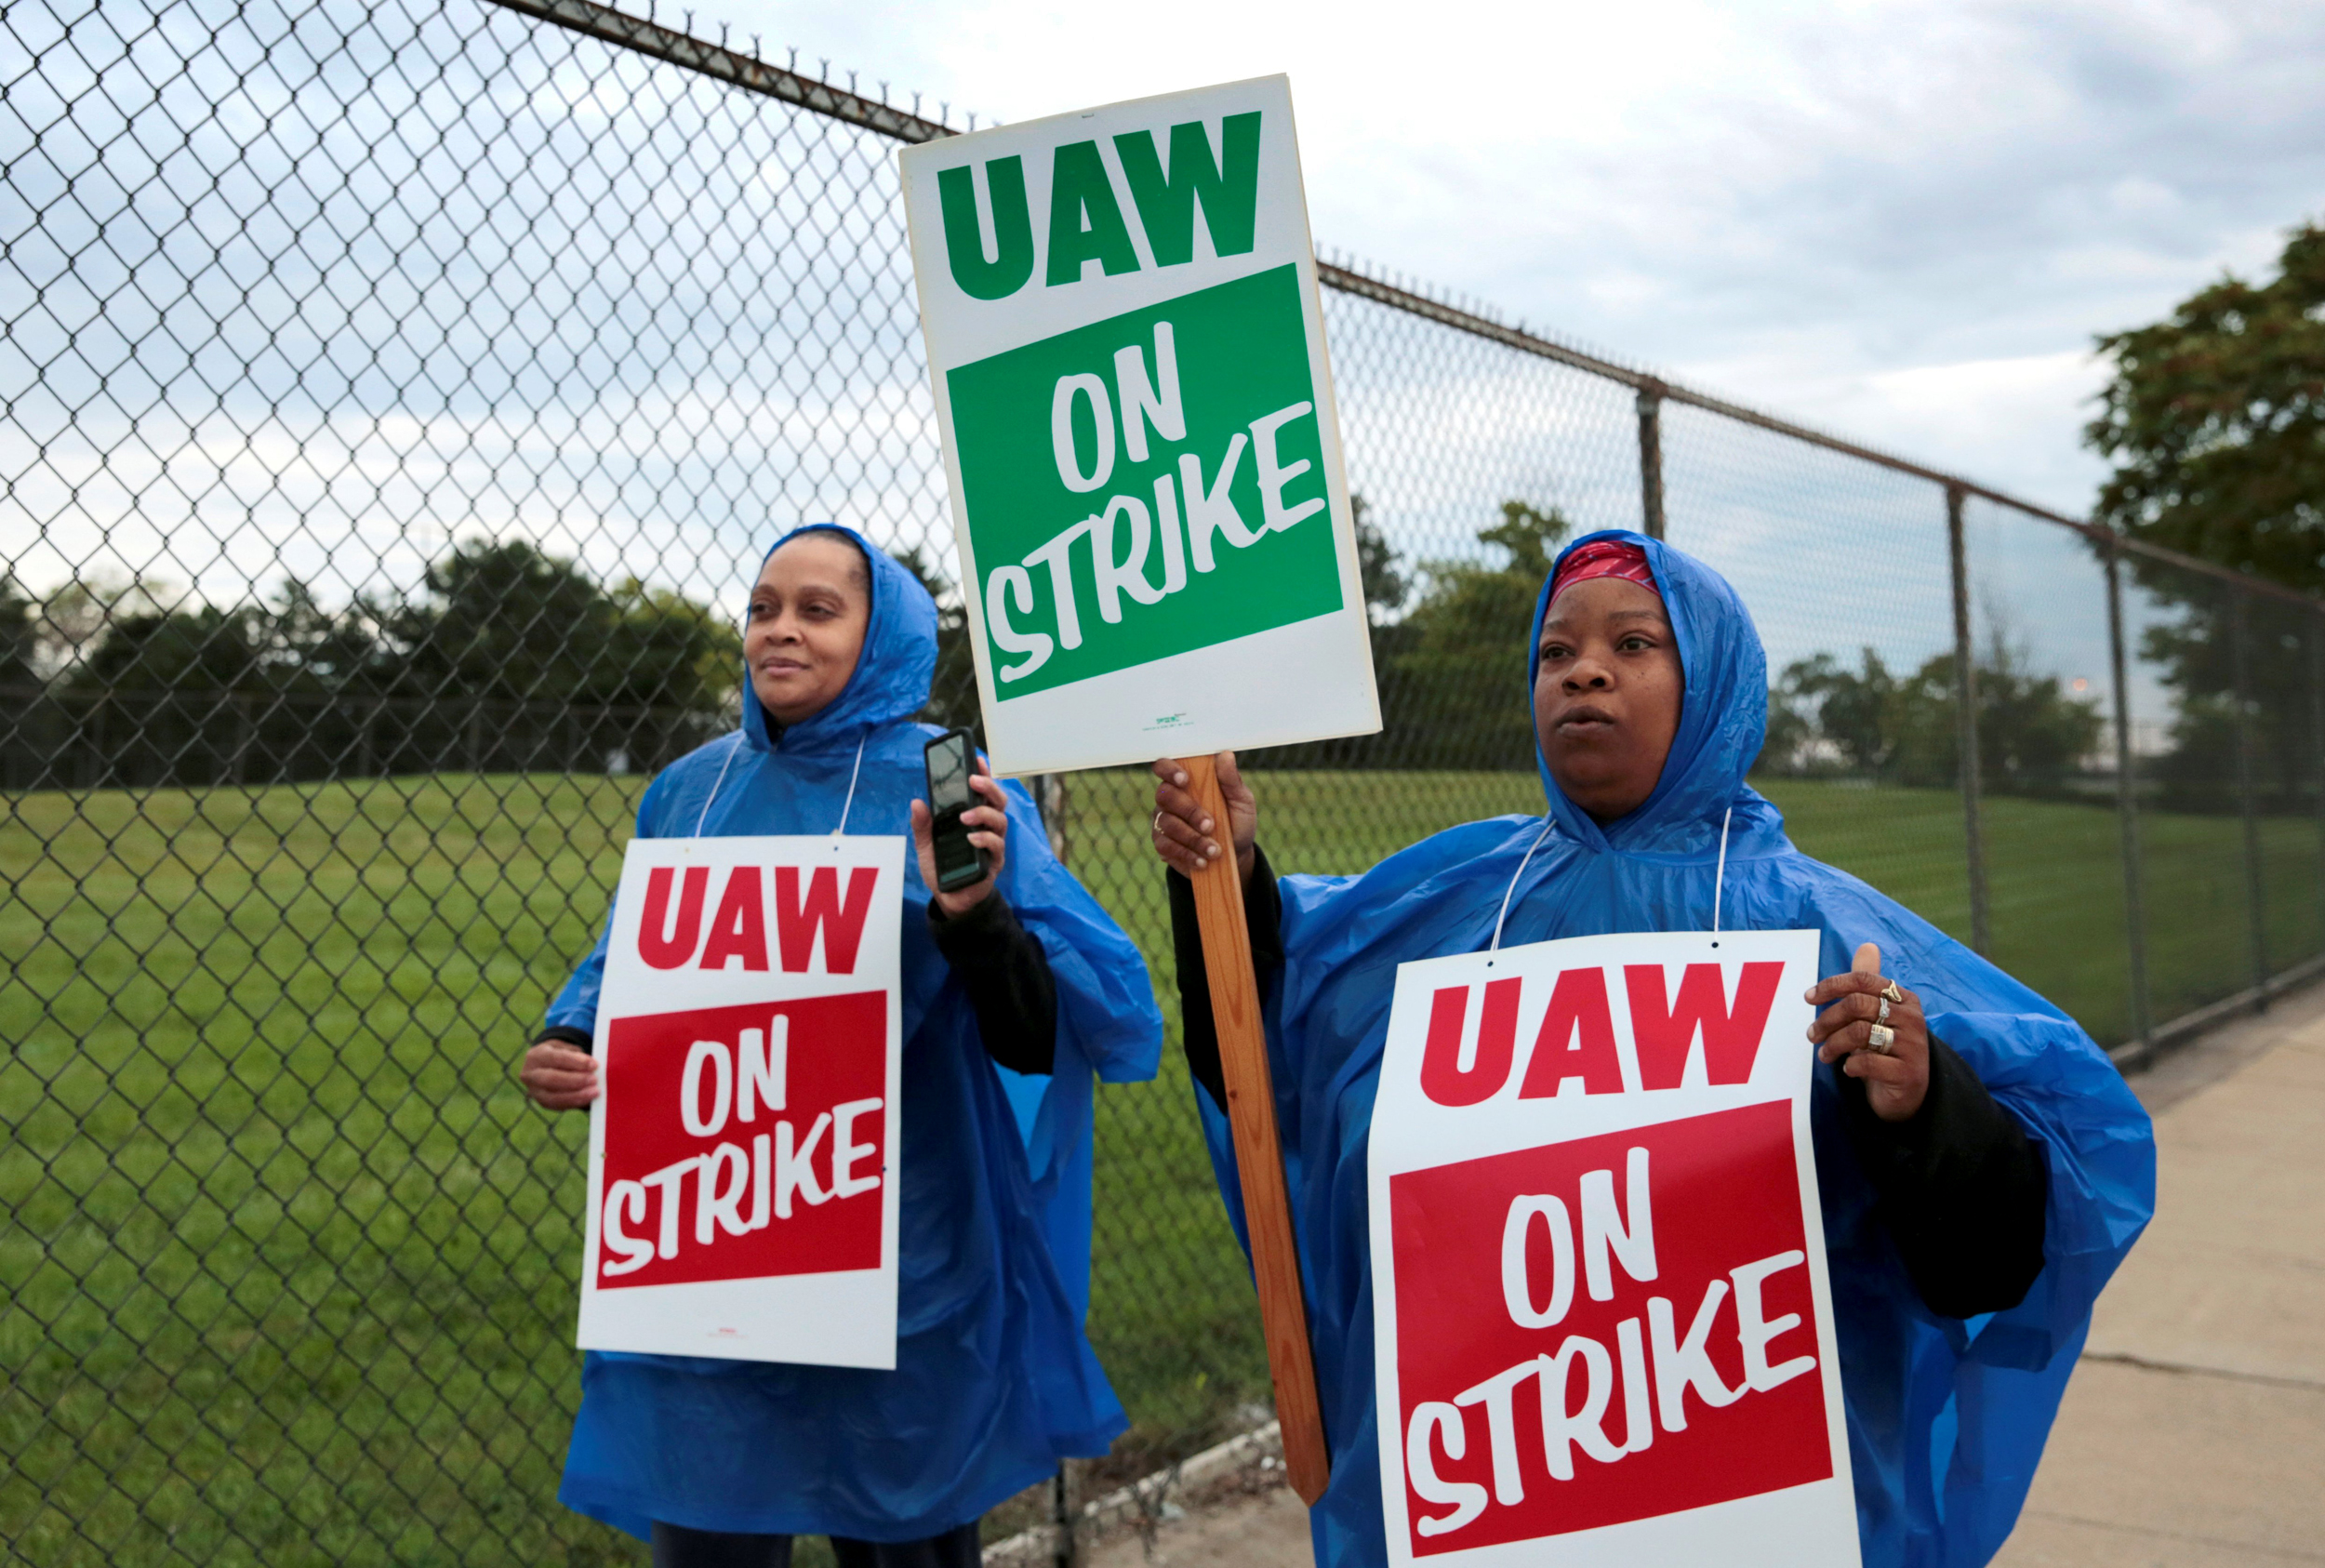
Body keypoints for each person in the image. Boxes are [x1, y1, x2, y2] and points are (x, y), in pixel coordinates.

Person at [1148, 530, 2154, 1568]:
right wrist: (1227, 879)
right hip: (1482, 1496)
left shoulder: (1817, 926)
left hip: (1765, 1513)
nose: (1584, 669)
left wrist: (1920, 1099)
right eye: (1555, 653)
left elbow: (1994, 1253)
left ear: (1711, 682)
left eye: (1633, 643)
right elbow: (1276, 1041)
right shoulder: (1454, 903)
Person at [522, 524, 1162, 1567]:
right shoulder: (692, 789)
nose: (779, 631)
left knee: (906, 1540)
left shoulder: (946, 778)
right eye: (763, 606)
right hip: (714, 1246)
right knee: (710, 1532)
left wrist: (978, 917)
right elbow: (624, 965)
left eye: (818, 610)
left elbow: (1038, 1032)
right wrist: (570, 1036)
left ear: (884, 634)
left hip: (899, 1263)